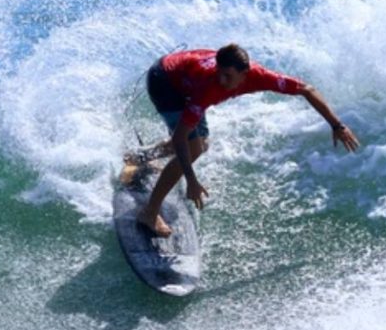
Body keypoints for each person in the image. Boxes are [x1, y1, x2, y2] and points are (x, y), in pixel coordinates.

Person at [135, 43, 360, 237]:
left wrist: (337, 125)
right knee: (193, 148)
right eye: (220, 73)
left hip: (183, 77)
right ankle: (149, 213)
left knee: (201, 144)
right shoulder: (210, 86)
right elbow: (180, 137)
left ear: (245, 73)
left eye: (228, 76)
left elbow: (306, 89)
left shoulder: (260, 77)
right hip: (164, 80)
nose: (222, 80)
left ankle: (142, 157)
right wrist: (191, 180)